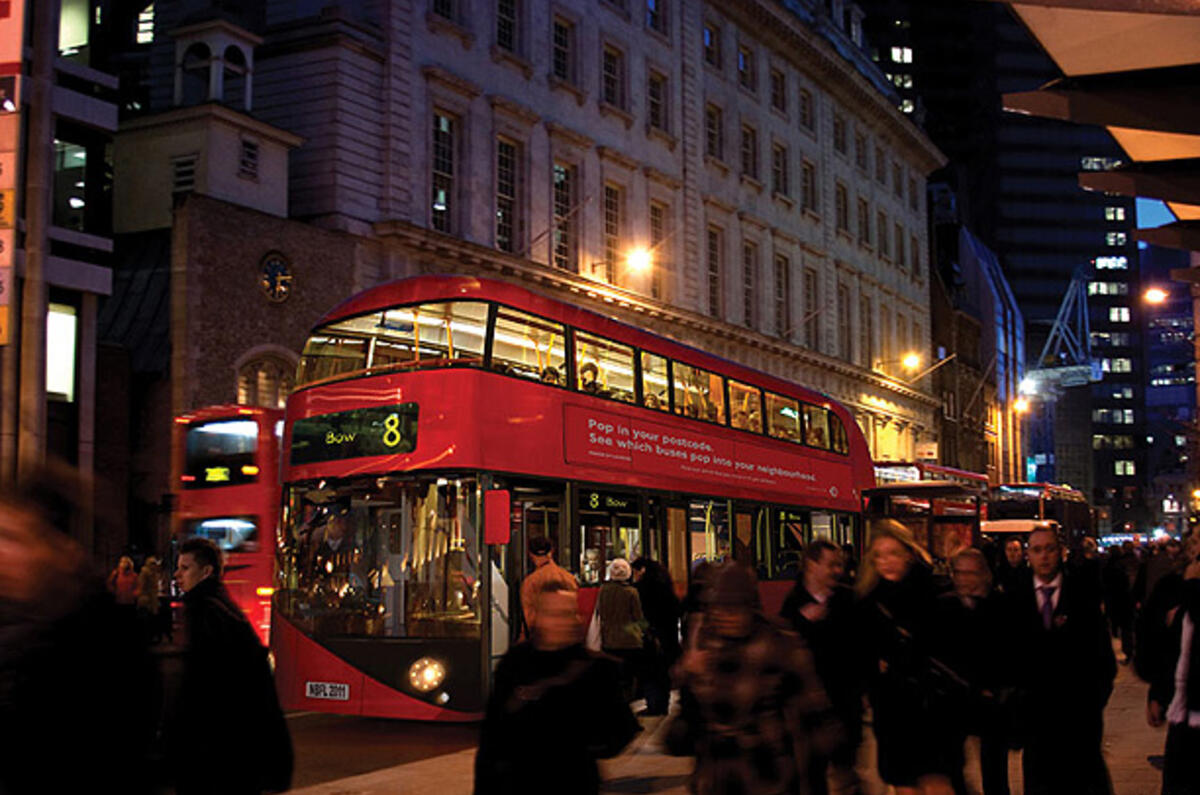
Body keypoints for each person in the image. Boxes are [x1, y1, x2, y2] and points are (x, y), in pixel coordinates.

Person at [669, 562, 840, 794]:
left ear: (749, 607)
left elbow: (814, 712)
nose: (725, 616)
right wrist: (689, 676)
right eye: (718, 609)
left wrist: (833, 769)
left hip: (766, 775)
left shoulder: (778, 642)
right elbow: (688, 721)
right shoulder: (705, 642)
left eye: (733, 608)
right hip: (716, 778)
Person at [475, 581, 639, 795]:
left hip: (571, 782)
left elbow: (620, 731)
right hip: (517, 783)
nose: (562, 622)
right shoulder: (515, 664)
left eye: (568, 613)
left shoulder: (595, 669)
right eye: (553, 614)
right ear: (537, 617)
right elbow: (492, 736)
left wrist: (580, 745)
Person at [168, 537, 292, 795]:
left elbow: (203, 686)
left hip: (218, 752)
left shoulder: (206, 612)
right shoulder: (221, 606)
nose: (177, 575)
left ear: (206, 571)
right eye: (178, 568)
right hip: (235, 751)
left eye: (185, 568)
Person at [1006, 526, 1114, 795]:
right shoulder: (1014, 598)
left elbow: (1103, 659)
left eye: (1050, 549)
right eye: (1037, 550)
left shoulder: (1083, 595)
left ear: (1061, 552)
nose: (1044, 556)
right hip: (1036, 725)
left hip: (1078, 722)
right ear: (1029, 555)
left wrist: (1091, 705)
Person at [857, 519, 953, 795]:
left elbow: (937, 645)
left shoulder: (931, 592)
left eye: (893, 553)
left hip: (929, 707)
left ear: (908, 554)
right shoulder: (869, 600)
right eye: (879, 555)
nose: (886, 562)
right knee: (902, 784)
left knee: (935, 782)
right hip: (891, 708)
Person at [780, 540, 862, 795]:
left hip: (844, 704)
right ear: (811, 565)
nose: (838, 570)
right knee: (812, 774)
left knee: (847, 772)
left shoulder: (848, 599)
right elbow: (783, 653)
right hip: (809, 708)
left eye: (839, 565)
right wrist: (803, 622)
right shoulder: (793, 605)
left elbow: (862, 647)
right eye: (831, 564)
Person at [928, 548, 1013, 795]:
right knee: (953, 764)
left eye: (970, 573)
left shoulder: (1001, 606)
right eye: (959, 573)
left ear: (984, 574)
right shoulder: (944, 605)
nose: (963, 579)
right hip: (955, 698)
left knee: (995, 768)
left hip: (992, 698)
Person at [1144, 530, 1200, 795]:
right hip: (1182, 714)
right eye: (1195, 542)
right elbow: (1170, 651)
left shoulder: (1188, 590)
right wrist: (1157, 694)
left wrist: (1192, 588)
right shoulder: (1174, 587)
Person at [631, 557, 681, 716]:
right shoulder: (666, 587)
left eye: (635, 571)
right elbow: (676, 610)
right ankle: (662, 705)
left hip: (650, 637)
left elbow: (638, 616)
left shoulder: (639, 590)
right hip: (668, 636)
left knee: (649, 673)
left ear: (642, 570)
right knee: (663, 673)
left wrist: (641, 629)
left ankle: (653, 706)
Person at [589, 558, 644, 700]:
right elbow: (638, 617)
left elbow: (600, 612)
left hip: (609, 639)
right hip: (630, 640)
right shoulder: (631, 592)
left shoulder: (603, 590)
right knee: (628, 675)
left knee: (613, 675)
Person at [519, 536, 577, 633]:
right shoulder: (569, 578)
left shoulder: (530, 582)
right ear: (551, 551)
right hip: (567, 634)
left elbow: (529, 618)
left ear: (530, 554)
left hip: (542, 635)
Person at [136, 556, 163, 642]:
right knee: (147, 619)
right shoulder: (145, 573)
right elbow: (142, 586)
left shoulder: (154, 573)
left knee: (152, 619)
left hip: (152, 598)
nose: (154, 566)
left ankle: (151, 637)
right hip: (146, 599)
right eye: (152, 564)